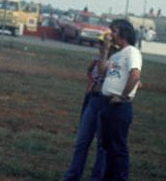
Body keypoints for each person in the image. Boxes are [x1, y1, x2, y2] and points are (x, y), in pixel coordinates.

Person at [61, 34, 116, 180]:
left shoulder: (115, 62)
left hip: (106, 103)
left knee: (102, 145)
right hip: (92, 99)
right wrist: (91, 84)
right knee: (82, 141)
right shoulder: (97, 60)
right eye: (100, 43)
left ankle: (97, 178)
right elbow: (89, 71)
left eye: (104, 44)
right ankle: (72, 176)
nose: (101, 46)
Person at [97, 19, 142, 180]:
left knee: (118, 148)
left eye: (114, 31)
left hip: (119, 106)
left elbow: (135, 75)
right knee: (108, 146)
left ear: (124, 33)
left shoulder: (131, 52)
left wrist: (122, 96)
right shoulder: (116, 55)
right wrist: (105, 51)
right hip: (107, 104)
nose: (111, 35)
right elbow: (102, 71)